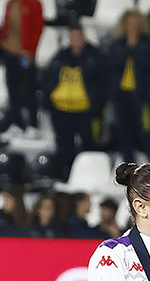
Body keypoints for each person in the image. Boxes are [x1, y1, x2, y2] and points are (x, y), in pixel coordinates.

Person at [44, 26, 105, 179]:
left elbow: (103, 83)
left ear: (84, 38)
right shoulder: (60, 57)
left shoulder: (95, 57)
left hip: (85, 110)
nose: (76, 40)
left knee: (89, 146)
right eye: (73, 37)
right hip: (61, 110)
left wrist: (98, 105)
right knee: (64, 147)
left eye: (78, 37)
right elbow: (48, 78)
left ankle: (89, 176)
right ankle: (66, 175)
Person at [106, 10, 150, 162]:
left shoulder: (148, 44)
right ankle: (129, 168)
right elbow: (112, 63)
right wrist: (128, 47)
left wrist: (135, 48)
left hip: (142, 96)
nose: (132, 27)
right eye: (129, 24)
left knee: (146, 131)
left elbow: (148, 65)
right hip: (121, 94)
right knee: (124, 132)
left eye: (135, 24)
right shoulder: (116, 44)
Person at [0, 0, 45, 136]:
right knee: (12, 89)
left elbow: (37, 29)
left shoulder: (34, 4)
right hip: (10, 52)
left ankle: (33, 125)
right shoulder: (10, 4)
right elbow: (7, 25)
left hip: (25, 54)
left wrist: (30, 50)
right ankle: (16, 123)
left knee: (29, 89)